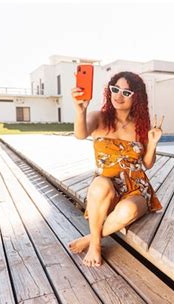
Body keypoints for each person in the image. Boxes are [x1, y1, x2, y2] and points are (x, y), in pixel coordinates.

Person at [68, 71, 163, 267]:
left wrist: (152, 143)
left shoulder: (141, 125)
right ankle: (95, 245)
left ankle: (90, 238)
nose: (118, 96)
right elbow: (79, 134)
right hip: (107, 185)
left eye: (126, 93)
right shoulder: (98, 118)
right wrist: (80, 110)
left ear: (136, 97)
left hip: (136, 188)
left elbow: (147, 164)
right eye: (115, 89)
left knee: (128, 210)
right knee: (99, 186)